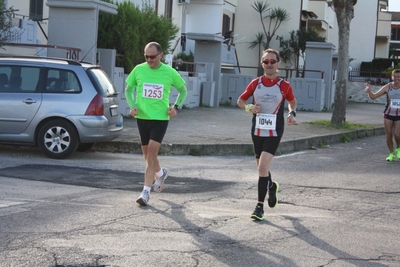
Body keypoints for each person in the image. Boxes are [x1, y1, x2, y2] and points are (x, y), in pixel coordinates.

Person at [237, 48, 297, 221]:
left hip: (274, 131)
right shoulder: (256, 83)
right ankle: (271, 186)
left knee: (262, 167)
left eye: (272, 61)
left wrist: (291, 113)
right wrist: (249, 108)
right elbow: (241, 100)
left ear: (278, 63)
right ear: (262, 64)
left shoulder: (284, 86)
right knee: (261, 168)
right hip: (257, 130)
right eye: (266, 62)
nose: (269, 64)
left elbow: (292, 101)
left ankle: (259, 207)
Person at [125, 41, 188, 206]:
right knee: (147, 156)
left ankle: (145, 192)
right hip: (142, 118)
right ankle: (160, 173)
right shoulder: (139, 69)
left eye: (152, 57)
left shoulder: (169, 72)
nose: (149, 60)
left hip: (160, 119)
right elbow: (128, 89)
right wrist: (132, 106)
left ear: (160, 55)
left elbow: (183, 90)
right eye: (146, 56)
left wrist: (176, 107)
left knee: (151, 154)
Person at [365, 69, 400, 162]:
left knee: (397, 134)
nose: (396, 78)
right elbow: (373, 96)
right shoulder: (387, 87)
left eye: (398, 77)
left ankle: (399, 148)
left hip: (399, 116)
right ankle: (391, 154)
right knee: (389, 135)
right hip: (388, 114)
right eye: (395, 76)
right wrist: (369, 91)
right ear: (392, 77)